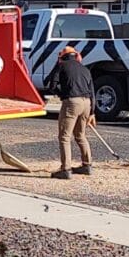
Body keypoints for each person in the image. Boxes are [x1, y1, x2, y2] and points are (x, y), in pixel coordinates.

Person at [47, 45, 94, 178]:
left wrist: (62, 95)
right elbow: (92, 92)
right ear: (77, 56)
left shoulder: (61, 66)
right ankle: (87, 165)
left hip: (72, 102)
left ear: (62, 57)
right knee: (80, 135)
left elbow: (52, 85)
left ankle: (65, 169)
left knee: (64, 137)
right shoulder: (85, 69)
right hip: (87, 103)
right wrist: (92, 112)